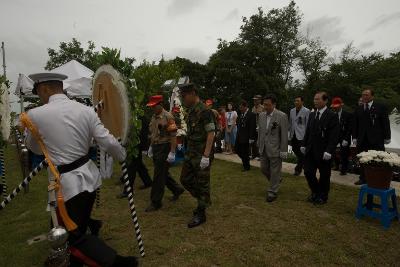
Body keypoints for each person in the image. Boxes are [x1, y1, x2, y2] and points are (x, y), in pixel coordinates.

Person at [24, 72, 137, 266]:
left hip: (67, 186)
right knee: (74, 223)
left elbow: (33, 147)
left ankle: (118, 263)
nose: (39, 97)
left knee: (72, 236)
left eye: (39, 93)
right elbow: (107, 140)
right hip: (89, 177)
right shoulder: (85, 110)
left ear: (44, 88)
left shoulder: (35, 115)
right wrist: (121, 155)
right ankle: (73, 254)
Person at [179, 83, 216, 228]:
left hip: (201, 155)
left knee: (203, 183)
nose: (183, 99)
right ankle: (203, 200)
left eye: (184, 96)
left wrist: (206, 156)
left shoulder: (204, 111)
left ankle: (201, 212)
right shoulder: (191, 111)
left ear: (193, 93)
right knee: (185, 179)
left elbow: (211, 133)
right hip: (191, 153)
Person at [145, 95, 185, 212]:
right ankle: (177, 189)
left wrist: (172, 152)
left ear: (160, 105)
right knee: (162, 172)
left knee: (158, 175)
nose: (152, 108)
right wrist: (151, 147)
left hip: (165, 147)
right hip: (156, 147)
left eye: (154, 106)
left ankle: (156, 202)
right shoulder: (154, 117)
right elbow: (153, 133)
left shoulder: (168, 116)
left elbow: (173, 136)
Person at [301, 92, 339, 205]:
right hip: (311, 150)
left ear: (325, 101)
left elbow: (334, 136)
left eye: (318, 99)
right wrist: (303, 144)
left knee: (324, 175)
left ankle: (323, 196)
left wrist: (329, 150)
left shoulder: (332, 116)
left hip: (324, 151)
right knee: (308, 172)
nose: (315, 101)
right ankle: (316, 192)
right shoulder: (312, 114)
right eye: (314, 99)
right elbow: (308, 131)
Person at [353, 87, 391, 185]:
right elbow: (355, 124)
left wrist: (387, 136)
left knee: (378, 159)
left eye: (366, 95)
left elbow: (385, 123)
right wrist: (354, 137)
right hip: (362, 139)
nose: (364, 97)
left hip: (376, 139)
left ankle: (379, 178)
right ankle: (363, 178)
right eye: (363, 95)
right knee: (362, 159)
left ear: (372, 96)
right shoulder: (359, 108)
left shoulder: (380, 107)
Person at [257, 95, 288, 202]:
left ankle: (272, 191)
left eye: (267, 105)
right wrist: (258, 144)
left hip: (275, 148)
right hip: (263, 147)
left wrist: (284, 150)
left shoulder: (282, 116)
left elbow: (284, 134)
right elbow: (261, 131)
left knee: (275, 170)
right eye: (264, 104)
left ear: (274, 104)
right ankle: (277, 180)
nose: (265, 106)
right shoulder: (261, 115)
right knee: (263, 168)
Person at [118, 117, 153, 198]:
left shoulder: (137, 115)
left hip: (135, 145)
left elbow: (142, 131)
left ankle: (128, 191)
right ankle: (147, 181)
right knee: (139, 165)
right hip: (136, 144)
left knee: (131, 167)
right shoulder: (136, 115)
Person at [288, 96, 310, 176]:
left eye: (298, 101)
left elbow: (308, 124)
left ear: (302, 102)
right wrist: (289, 134)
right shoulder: (292, 111)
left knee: (301, 152)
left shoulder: (307, 111)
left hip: (302, 135)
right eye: (295, 101)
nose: (296, 102)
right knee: (294, 149)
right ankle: (304, 162)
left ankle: (298, 169)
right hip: (293, 134)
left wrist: (307, 136)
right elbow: (290, 123)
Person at [331, 97, 352, 176]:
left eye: (336, 106)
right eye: (334, 107)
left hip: (344, 137)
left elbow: (350, 128)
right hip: (336, 137)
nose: (335, 108)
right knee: (332, 151)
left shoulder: (348, 115)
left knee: (344, 154)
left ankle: (344, 169)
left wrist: (346, 139)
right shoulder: (333, 115)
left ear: (341, 106)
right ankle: (336, 165)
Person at [235, 100, 257, 171]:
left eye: (241, 107)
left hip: (246, 137)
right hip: (239, 136)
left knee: (244, 152)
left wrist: (251, 138)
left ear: (245, 107)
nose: (240, 109)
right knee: (237, 150)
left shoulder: (251, 115)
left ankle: (246, 167)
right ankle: (246, 160)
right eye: (240, 107)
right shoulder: (240, 114)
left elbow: (252, 127)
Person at [251, 95, 264, 159]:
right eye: (254, 100)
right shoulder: (253, 108)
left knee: (260, 141)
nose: (254, 101)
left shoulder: (263, 108)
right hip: (254, 126)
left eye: (256, 100)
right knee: (253, 140)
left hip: (260, 126)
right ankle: (254, 154)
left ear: (260, 100)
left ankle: (260, 155)